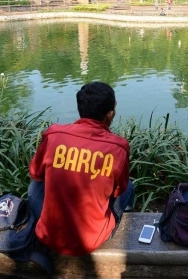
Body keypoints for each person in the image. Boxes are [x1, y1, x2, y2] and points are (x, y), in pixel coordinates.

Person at [28, 82, 134, 256]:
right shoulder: (118, 148)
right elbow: (118, 192)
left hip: (49, 236)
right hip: (92, 241)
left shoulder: (54, 136)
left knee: (37, 182)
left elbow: (35, 173)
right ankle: (122, 220)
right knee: (128, 187)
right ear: (110, 114)